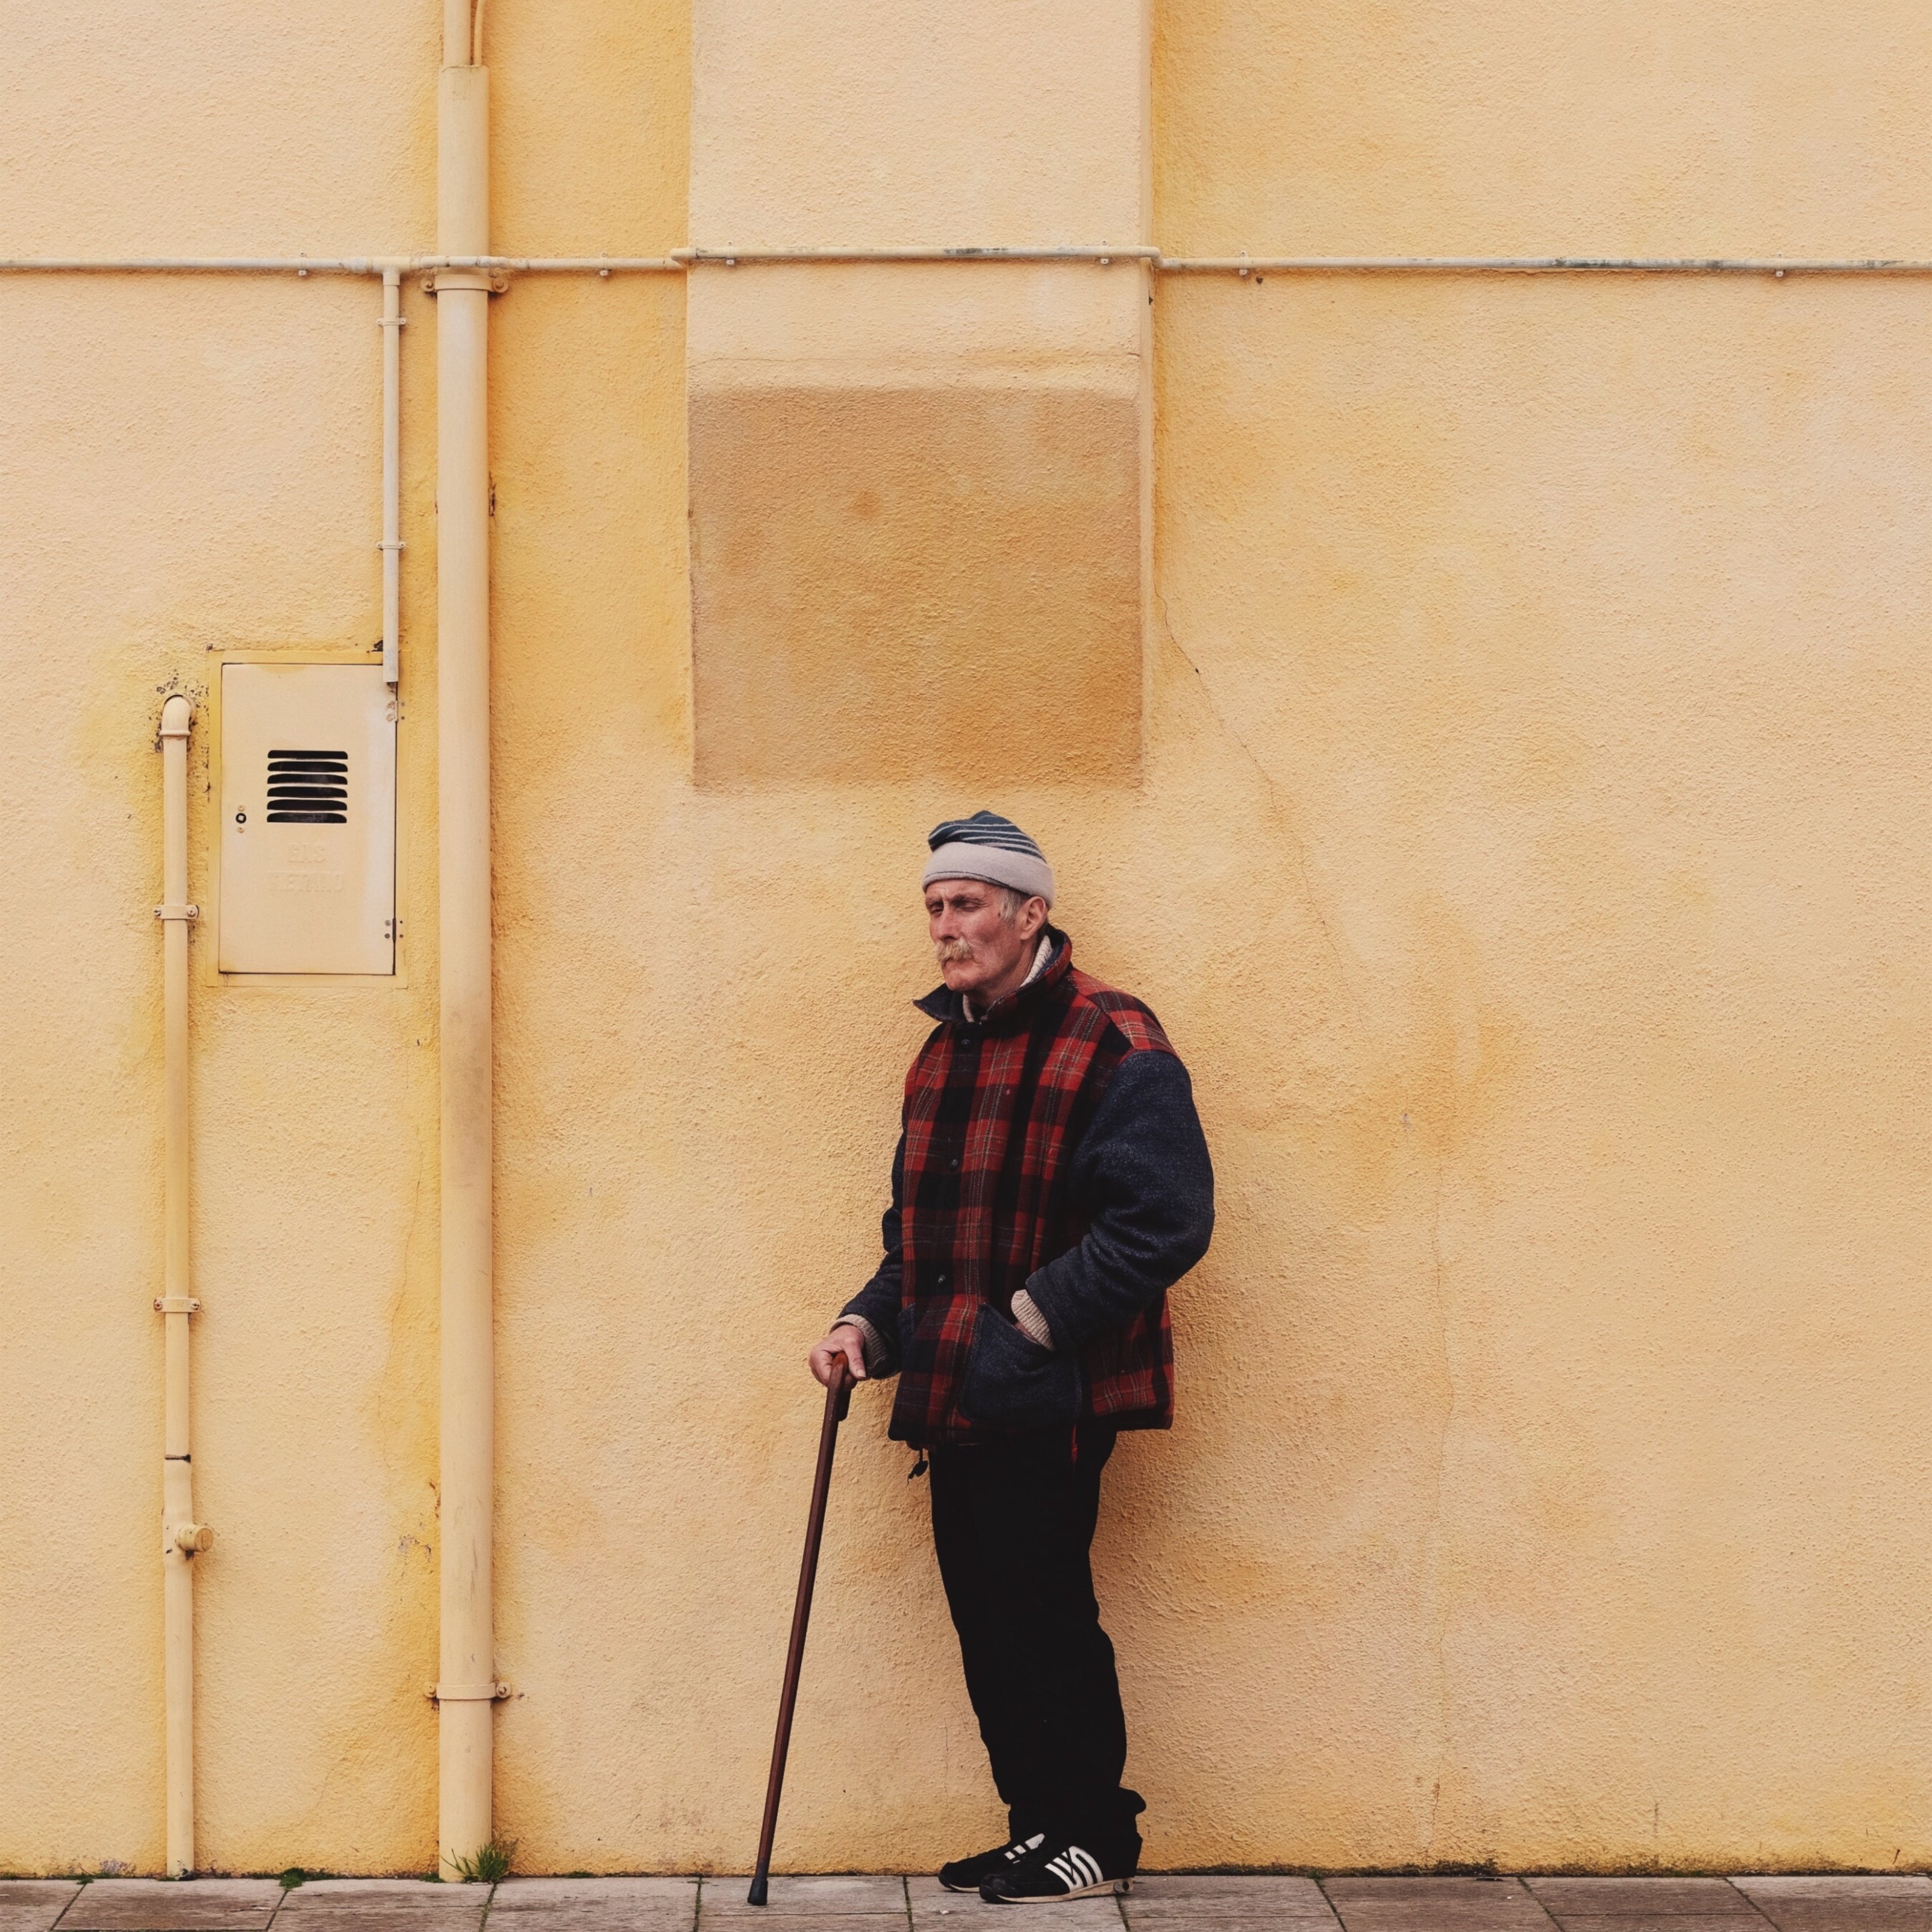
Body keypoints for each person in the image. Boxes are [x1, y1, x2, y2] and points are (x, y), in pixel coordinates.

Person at [809, 810, 1214, 1905]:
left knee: (1042, 1610)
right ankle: (1039, 1823)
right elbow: (920, 1243)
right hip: (957, 1391)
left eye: (969, 903)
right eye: (935, 906)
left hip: (1054, 1388)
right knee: (988, 1615)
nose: (947, 926)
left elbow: (1166, 1218)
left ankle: (1096, 1833)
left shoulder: (1112, 1035)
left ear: (1031, 911)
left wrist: (1028, 1324)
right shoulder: (944, 1054)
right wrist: (866, 1326)